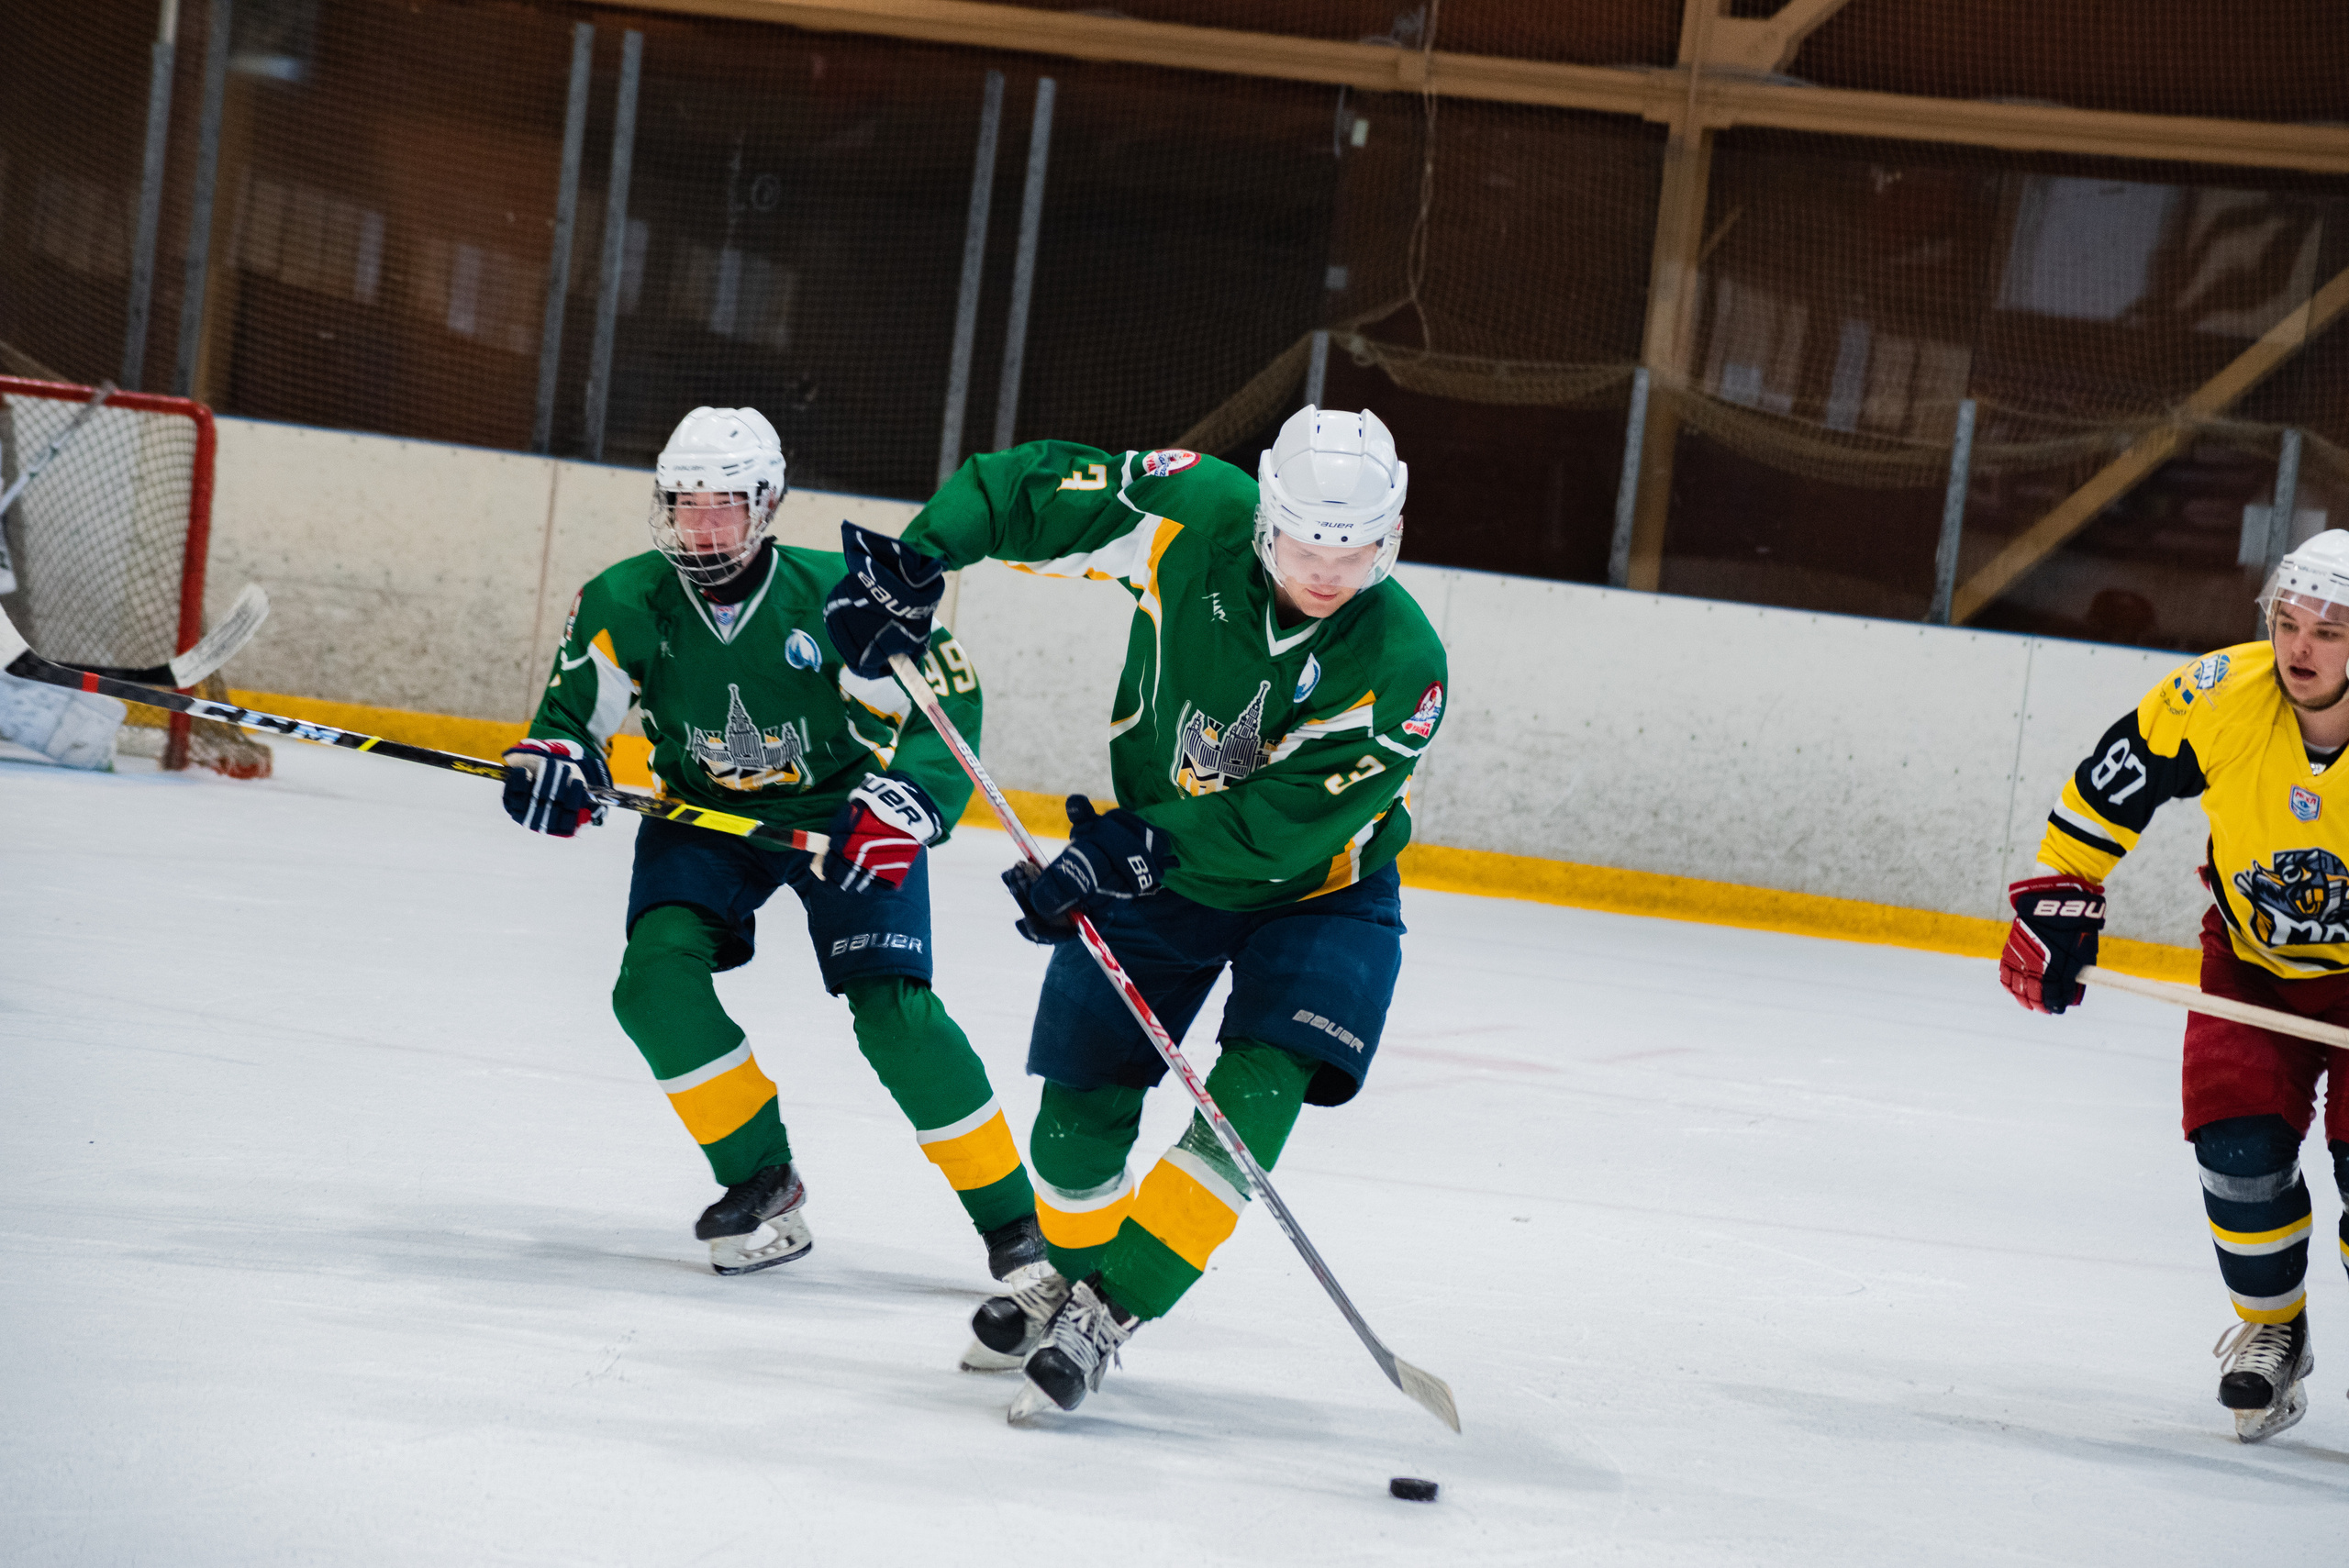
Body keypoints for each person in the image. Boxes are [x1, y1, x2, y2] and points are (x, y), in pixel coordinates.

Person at [827, 406, 1446, 1419]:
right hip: (1159, 870)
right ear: (1264, 520)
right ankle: (1072, 1275)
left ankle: (1114, 1305)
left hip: (1323, 894)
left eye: (1358, 548)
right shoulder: (1195, 512)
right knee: (1073, 1125)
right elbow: (1038, 486)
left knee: (1254, 1096)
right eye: (1304, 544)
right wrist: (918, 558)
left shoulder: (1404, 661)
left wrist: (1130, 849)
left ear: (1392, 534)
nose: (1328, 571)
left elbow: (1289, 825)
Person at [504, 405, 1041, 1284]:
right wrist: (554, 767)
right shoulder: (624, 600)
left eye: (723, 506)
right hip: (706, 820)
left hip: (846, 815)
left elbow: (945, 702)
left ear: (768, 503)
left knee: (895, 1015)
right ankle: (761, 1176)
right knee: (651, 985)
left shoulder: (841, 597)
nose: (702, 526)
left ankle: (1016, 1219)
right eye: (685, 505)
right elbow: (571, 722)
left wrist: (908, 796)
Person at [2001, 528, 2349, 1442]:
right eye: (2288, 621)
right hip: (2252, 963)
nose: (2299, 647)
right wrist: (2058, 893)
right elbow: (2110, 787)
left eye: (2331, 629)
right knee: (2236, 1154)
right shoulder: (2220, 695)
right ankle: (2272, 1327)